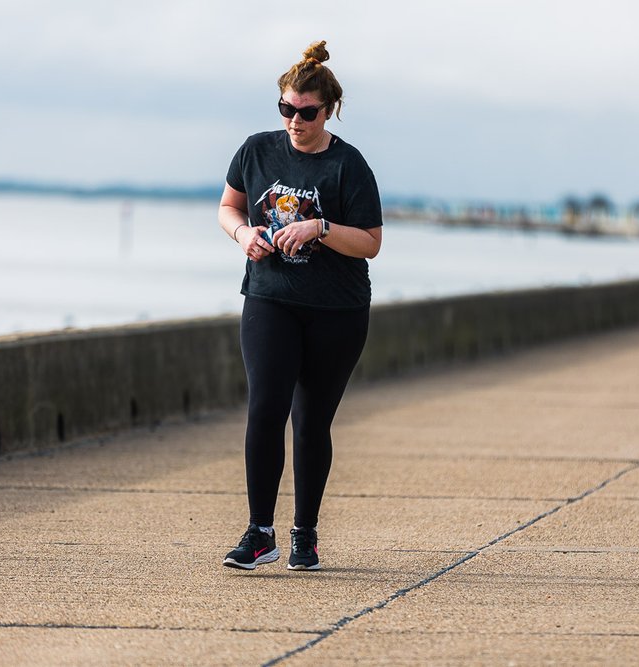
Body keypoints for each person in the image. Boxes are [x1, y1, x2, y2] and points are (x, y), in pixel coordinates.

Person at [217, 40, 383, 571]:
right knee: (265, 408)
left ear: (327, 110)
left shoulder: (347, 165)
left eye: (305, 113)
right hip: (270, 299)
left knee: (311, 421)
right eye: (286, 109)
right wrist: (243, 234)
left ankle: (304, 535)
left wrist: (322, 227)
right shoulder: (256, 150)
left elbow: (371, 242)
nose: (294, 120)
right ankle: (259, 531)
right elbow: (227, 207)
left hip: (336, 310)